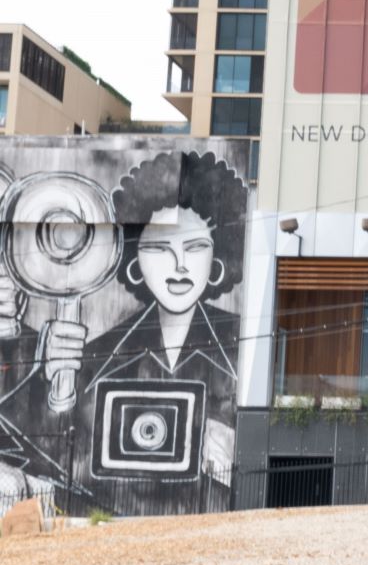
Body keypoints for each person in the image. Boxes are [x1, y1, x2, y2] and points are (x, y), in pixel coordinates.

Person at [68, 150, 245, 491]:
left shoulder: (243, 341)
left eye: (194, 248)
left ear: (217, 260)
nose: (179, 265)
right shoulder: (100, 354)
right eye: (160, 249)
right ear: (135, 263)